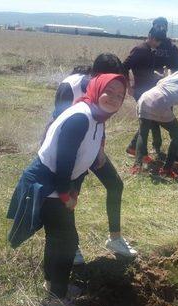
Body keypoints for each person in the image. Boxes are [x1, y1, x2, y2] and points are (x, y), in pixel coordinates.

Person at [7, 74, 136, 306]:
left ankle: (55, 286)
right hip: (47, 183)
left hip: (56, 183)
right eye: (110, 91)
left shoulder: (96, 116)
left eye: (120, 95)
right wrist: (67, 194)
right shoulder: (81, 118)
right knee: (65, 242)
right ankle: (57, 302)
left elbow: (82, 157)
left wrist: (72, 190)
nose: (115, 98)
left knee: (60, 240)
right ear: (97, 89)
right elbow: (63, 161)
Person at [46, 53, 127, 267]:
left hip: (91, 146)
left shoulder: (108, 91)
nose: (113, 90)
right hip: (70, 150)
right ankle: (72, 247)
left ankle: (115, 238)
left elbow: (101, 119)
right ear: (95, 74)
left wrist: (100, 149)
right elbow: (59, 124)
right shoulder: (70, 87)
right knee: (70, 197)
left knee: (115, 184)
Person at [122, 27, 167, 159]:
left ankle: (134, 148)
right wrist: (129, 86)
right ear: (150, 37)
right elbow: (124, 67)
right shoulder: (140, 50)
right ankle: (136, 149)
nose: (158, 44)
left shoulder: (151, 51)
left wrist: (157, 75)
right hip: (140, 91)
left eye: (160, 42)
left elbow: (145, 69)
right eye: (157, 41)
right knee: (147, 120)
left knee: (150, 120)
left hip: (149, 90)